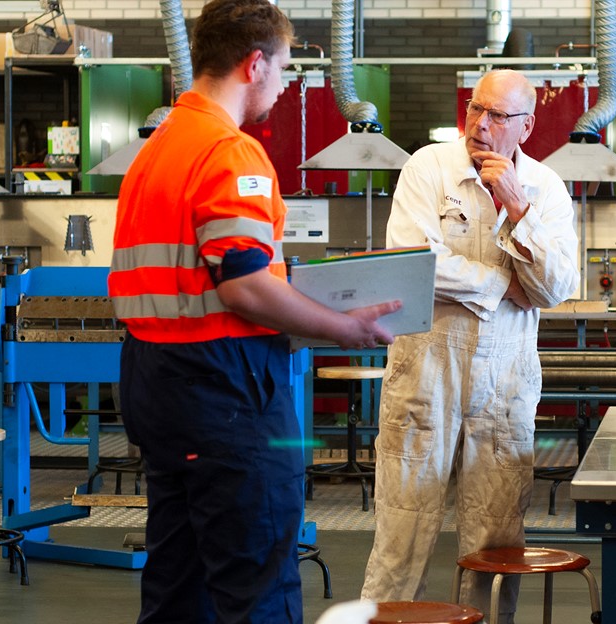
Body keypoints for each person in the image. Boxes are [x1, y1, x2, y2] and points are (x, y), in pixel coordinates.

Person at [108, 0, 400, 621]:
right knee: (255, 585)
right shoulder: (228, 151)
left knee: (177, 584)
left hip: (154, 381)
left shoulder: (158, 149)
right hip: (225, 391)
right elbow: (241, 284)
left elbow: (197, 270)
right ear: (254, 63)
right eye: (288, 66)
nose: (288, 81)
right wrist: (343, 326)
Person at [360, 69, 580, 619]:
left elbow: (554, 287)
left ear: (525, 127)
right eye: (475, 109)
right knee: (401, 527)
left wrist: (515, 203)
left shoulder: (546, 189)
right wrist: (505, 283)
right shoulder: (427, 168)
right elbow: (412, 261)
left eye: (498, 116)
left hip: (507, 379)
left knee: (496, 534)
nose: (480, 125)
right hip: (426, 366)